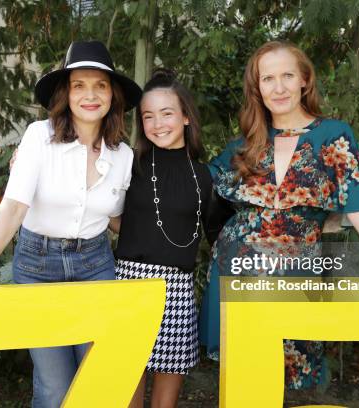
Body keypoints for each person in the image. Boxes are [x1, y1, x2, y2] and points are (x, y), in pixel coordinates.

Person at [198, 40, 359, 389]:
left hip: (295, 272)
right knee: (246, 379)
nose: (278, 87)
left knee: (288, 375)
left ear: (304, 79)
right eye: (267, 78)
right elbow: (199, 191)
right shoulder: (244, 144)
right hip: (235, 270)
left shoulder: (334, 136)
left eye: (287, 75)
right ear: (257, 88)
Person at [0, 40, 142, 408]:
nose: (91, 95)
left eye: (100, 85)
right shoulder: (39, 137)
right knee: (55, 387)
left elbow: (115, 219)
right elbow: (13, 207)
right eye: (79, 85)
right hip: (39, 267)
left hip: (95, 265)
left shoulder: (123, 155)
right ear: (65, 94)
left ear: (113, 94)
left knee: (99, 380)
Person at [113, 69, 223, 408]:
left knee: (165, 402)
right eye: (148, 116)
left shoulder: (206, 176)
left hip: (177, 289)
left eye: (167, 113)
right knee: (124, 389)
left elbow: (220, 236)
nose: (158, 123)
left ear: (186, 116)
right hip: (128, 285)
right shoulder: (127, 162)